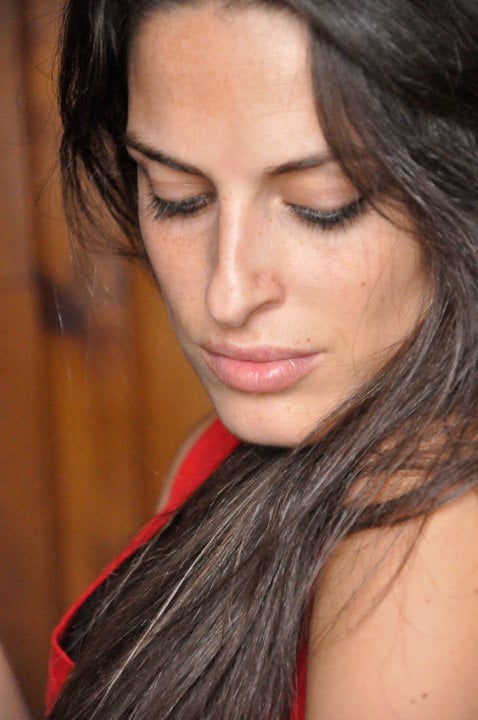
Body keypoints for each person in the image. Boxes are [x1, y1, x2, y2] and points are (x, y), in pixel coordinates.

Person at [48, 1, 478, 718]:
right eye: (177, 196)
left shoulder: (431, 532)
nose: (227, 294)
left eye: (322, 204)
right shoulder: (221, 449)